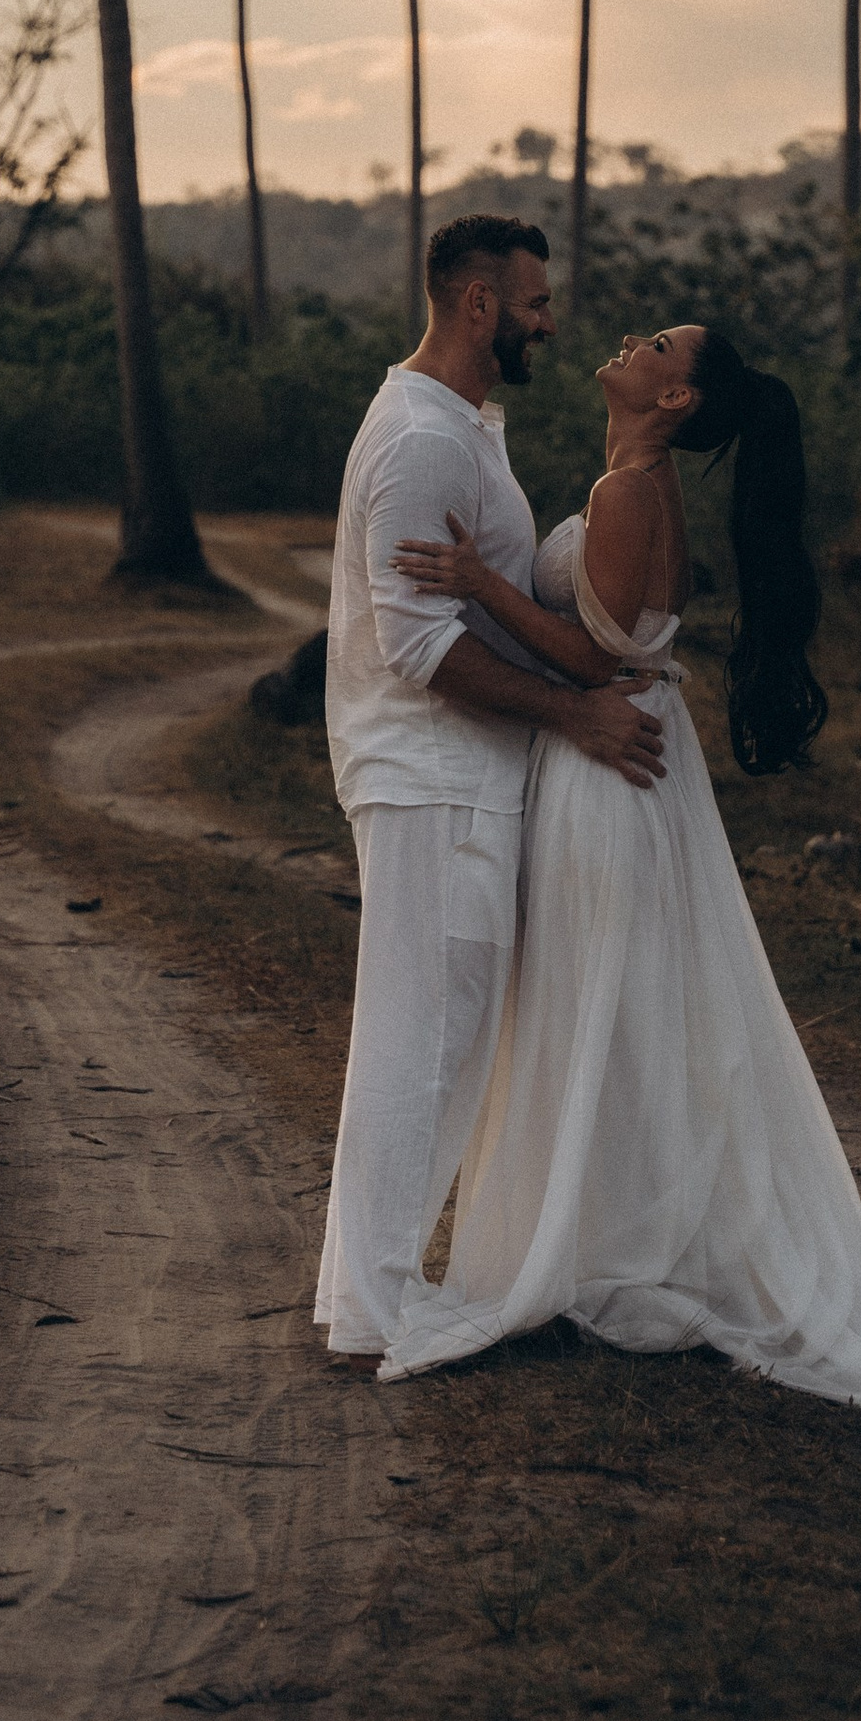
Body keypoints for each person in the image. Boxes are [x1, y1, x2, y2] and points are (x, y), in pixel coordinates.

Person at [374, 318, 861, 1433]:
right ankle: (614, 1241)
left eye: (657, 344)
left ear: (676, 399)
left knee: (593, 1001)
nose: (630, 341)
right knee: (611, 1005)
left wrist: (478, 585)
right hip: (627, 752)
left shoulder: (628, 493)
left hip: (608, 761)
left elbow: (597, 653)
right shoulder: (631, 484)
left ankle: (595, 1250)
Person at [315, 215, 671, 1366]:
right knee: (423, 1043)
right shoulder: (423, 439)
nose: (547, 324)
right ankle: (374, 1311)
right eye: (533, 304)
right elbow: (420, 646)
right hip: (433, 780)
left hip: (456, 779)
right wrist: (574, 712)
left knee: (437, 1041)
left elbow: (475, 609)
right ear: (479, 304)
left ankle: (367, 1295)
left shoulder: (456, 426)